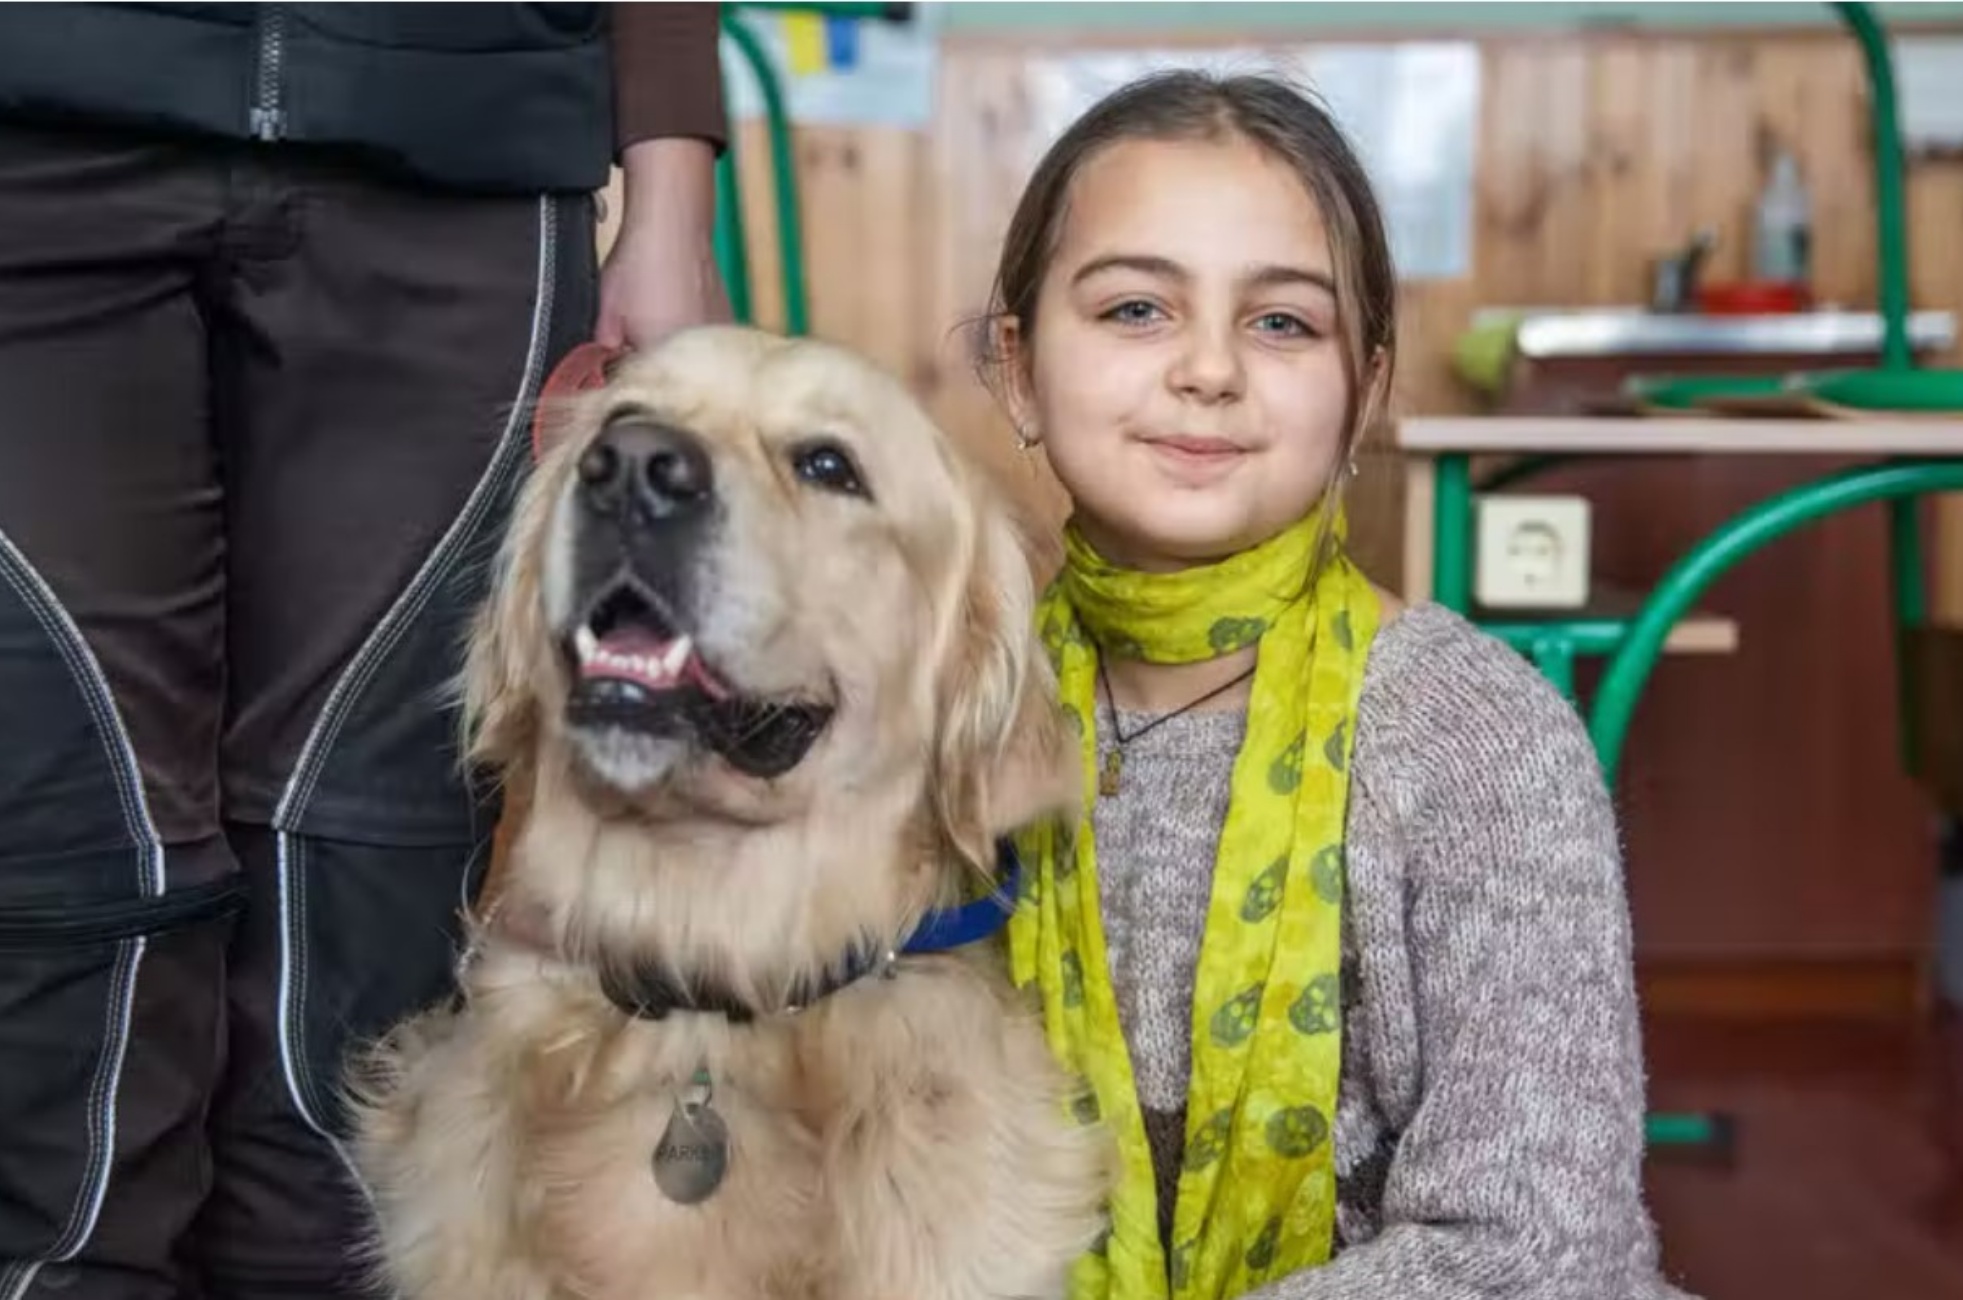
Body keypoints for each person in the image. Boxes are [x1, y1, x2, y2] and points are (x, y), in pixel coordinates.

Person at [0, 5, 729, 1298]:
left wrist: (669, 187)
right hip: (39, 133)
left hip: (462, 147)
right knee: (72, 871)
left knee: (365, 892)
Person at [980, 71, 1695, 1300]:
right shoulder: (946, 711)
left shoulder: (1473, 737)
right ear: (1016, 367)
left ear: (1363, 391)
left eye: (1282, 324)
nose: (1208, 369)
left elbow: (1535, 1254)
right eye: (1137, 308)